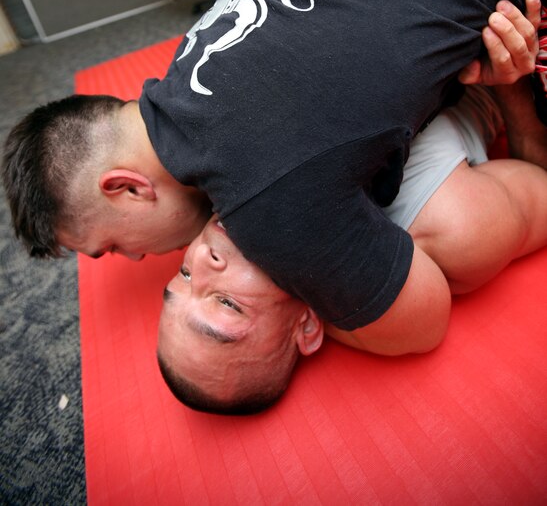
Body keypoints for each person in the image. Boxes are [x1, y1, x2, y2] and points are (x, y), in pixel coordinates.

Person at [3, 0, 547, 356]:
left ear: (127, 187)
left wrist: (301, 295)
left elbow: (421, 324)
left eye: (116, 247)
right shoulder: (189, 57)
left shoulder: (261, 201)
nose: (141, 259)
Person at [156, 82, 547, 415]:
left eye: (185, 275)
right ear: (307, 324)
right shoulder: (450, 226)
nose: (201, 258)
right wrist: (506, 69)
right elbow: (539, 181)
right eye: (226, 302)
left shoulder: (216, 161)